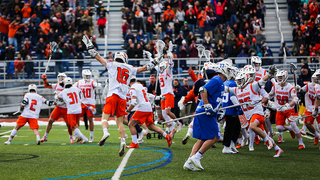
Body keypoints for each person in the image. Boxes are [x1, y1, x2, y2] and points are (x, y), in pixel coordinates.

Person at [82, 35, 159, 157]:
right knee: (119, 122)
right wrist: (155, 62)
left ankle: (105, 132)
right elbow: (144, 68)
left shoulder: (111, 64)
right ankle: (123, 141)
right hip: (123, 98)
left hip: (112, 94)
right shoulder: (130, 68)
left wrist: (89, 46)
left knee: (104, 118)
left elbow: (97, 56)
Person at [183, 61, 232, 171]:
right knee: (215, 137)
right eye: (228, 70)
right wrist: (206, 105)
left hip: (206, 112)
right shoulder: (217, 79)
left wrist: (218, 111)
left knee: (202, 139)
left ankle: (189, 161)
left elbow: (217, 97)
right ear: (224, 71)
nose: (230, 72)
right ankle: (196, 157)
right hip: (205, 112)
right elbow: (202, 89)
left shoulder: (221, 83)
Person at [226, 66, 283, 157]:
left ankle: (267, 141)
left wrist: (270, 74)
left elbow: (262, 80)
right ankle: (277, 149)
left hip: (257, 112)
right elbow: (226, 89)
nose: (238, 82)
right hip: (249, 115)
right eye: (237, 80)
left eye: (240, 80)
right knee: (262, 132)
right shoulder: (236, 90)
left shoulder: (253, 86)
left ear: (245, 79)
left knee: (252, 127)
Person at [126, 80, 172, 148]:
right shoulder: (140, 86)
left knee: (131, 124)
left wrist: (128, 110)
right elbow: (148, 95)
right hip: (149, 108)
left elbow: (133, 102)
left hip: (142, 108)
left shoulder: (132, 88)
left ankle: (134, 143)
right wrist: (159, 97)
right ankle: (167, 136)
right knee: (151, 127)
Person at [268, 70, 305, 149]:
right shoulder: (275, 86)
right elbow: (270, 95)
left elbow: (295, 99)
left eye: (281, 77)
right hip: (279, 109)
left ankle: (301, 143)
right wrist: (265, 100)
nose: (280, 79)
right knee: (279, 128)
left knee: (294, 125)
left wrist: (288, 105)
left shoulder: (290, 87)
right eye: (278, 77)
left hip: (289, 109)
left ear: (285, 77)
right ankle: (289, 129)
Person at [40, 73, 74, 143]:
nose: (61, 79)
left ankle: (71, 136)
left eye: (62, 77)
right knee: (50, 121)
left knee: (68, 124)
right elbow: (47, 85)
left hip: (66, 107)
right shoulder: (56, 85)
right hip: (58, 107)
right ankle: (45, 136)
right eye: (60, 77)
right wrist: (44, 79)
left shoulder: (69, 86)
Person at [58, 77, 89, 144]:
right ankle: (80, 136)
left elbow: (58, 97)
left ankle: (84, 138)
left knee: (72, 126)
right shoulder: (76, 89)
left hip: (71, 110)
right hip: (78, 109)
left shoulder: (63, 92)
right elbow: (80, 91)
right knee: (75, 124)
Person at [74, 70, 99, 142]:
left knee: (90, 119)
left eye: (89, 75)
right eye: (86, 76)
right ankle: (78, 134)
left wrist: (97, 84)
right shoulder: (79, 82)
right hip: (82, 103)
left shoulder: (92, 81)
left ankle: (91, 136)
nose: (88, 77)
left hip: (90, 103)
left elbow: (96, 85)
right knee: (77, 118)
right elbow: (72, 87)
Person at [222, 66, 243, 154]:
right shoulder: (232, 83)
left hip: (226, 107)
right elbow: (233, 97)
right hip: (231, 108)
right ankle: (226, 147)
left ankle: (231, 145)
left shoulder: (226, 82)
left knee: (236, 127)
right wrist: (239, 107)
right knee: (230, 128)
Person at [296, 70, 320, 145]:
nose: (316, 80)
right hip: (310, 108)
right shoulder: (309, 85)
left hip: (319, 108)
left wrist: (316, 109)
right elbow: (301, 90)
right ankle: (316, 135)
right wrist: (298, 88)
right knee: (307, 123)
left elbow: (318, 98)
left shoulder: (318, 86)